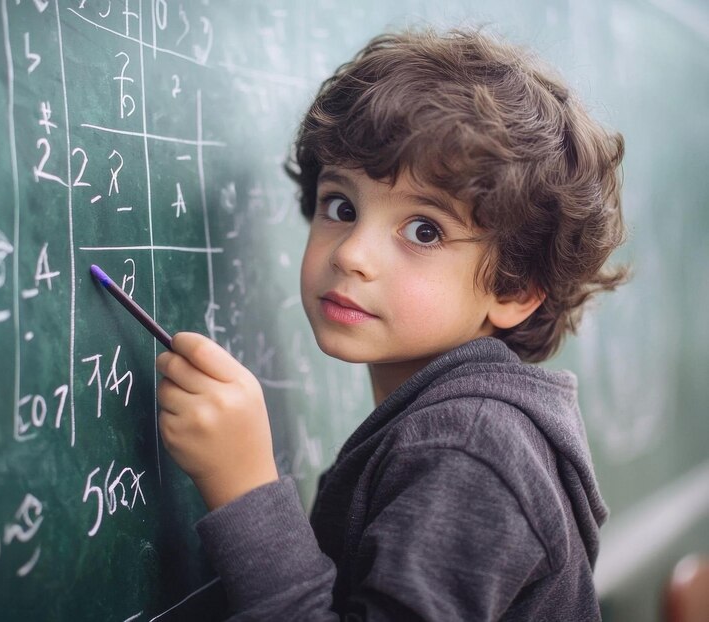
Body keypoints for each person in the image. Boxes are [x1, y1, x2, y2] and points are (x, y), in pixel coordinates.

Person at [156, 27, 628, 621]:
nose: (352, 252)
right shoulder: (453, 424)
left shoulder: (471, 450)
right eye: (341, 207)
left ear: (514, 288)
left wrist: (246, 490)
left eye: (424, 230)